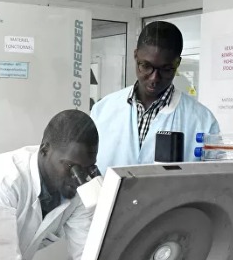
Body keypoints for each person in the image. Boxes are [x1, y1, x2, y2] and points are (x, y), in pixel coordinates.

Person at [0, 109, 99, 260]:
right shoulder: (3, 183)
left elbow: (86, 257)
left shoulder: (76, 189)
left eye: (88, 168)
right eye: (71, 167)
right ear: (45, 150)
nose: (79, 178)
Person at [91, 21, 220, 172]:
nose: (154, 78)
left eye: (166, 69)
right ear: (135, 56)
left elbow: (214, 178)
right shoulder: (103, 110)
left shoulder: (203, 120)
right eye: (146, 66)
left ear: (177, 63)